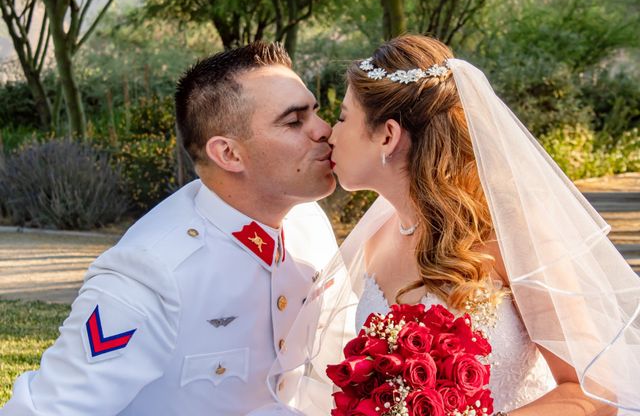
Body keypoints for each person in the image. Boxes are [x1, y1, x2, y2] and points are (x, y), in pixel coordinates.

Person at [268, 34, 640, 415]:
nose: (330, 131)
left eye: (344, 117)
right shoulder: (375, 241)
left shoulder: (507, 237)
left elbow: (593, 392)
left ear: (388, 136)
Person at [1, 41, 338, 416]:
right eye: (295, 121)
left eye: (316, 112)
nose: (324, 130)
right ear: (228, 154)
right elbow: (50, 410)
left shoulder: (309, 220)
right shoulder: (151, 272)